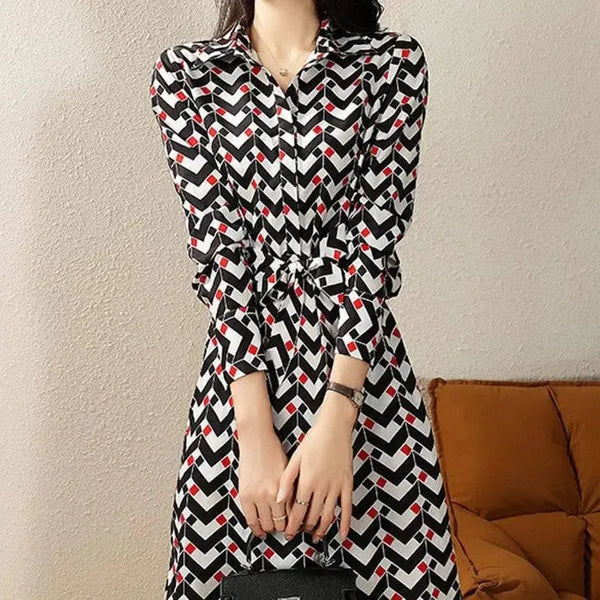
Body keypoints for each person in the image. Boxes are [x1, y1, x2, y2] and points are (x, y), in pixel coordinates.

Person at [149, 1, 462, 598]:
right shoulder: (187, 75)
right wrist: (252, 434)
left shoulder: (390, 65)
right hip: (242, 387)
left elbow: (372, 245)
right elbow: (219, 254)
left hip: (363, 385)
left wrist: (338, 417)